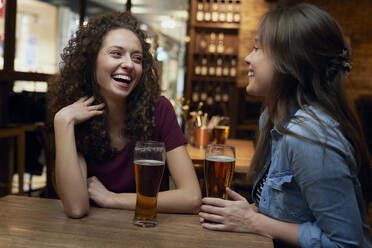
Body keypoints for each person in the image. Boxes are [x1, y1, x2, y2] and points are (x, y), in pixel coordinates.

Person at [199, 3, 372, 247]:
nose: (248, 57)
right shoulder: (271, 118)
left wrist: (254, 222)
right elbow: (295, 210)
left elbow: (346, 243)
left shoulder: (307, 138)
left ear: (289, 62)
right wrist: (252, 211)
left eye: (258, 48)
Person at [47, 11, 201, 218]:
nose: (129, 64)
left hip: (149, 230)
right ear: (91, 61)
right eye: (116, 54)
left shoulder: (158, 109)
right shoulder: (74, 116)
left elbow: (191, 198)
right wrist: (62, 121)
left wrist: (113, 199)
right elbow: (76, 208)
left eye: (137, 58)